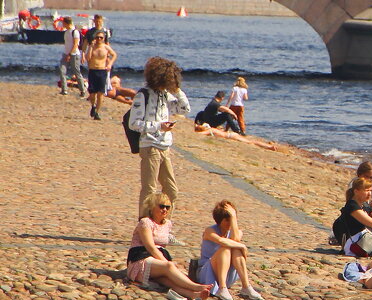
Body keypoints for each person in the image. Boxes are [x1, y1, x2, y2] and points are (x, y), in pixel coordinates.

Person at [128, 56, 190, 217]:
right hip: (150, 146)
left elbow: (184, 109)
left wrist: (177, 90)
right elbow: (133, 123)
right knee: (149, 189)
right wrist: (158, 126)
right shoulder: (143, 96)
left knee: (171, 190)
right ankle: (144, 226)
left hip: (164, 146)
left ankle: (163, 226)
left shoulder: (165, 95)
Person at [126, 191, 211, 300]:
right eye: (161, 206)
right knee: (169, 267)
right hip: (141, 257)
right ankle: (195, 286)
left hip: (157, 258)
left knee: (166, 279)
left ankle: (192, 294)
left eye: (167, 207)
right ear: (152, 207)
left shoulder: (167, 224)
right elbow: (150, 247)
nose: (165, 210)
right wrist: (166, 263)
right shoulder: (145, 222)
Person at [196, 200, 263, 300]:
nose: (230, 223)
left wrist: (233, 217)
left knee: (235, 249)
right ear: (220, 220)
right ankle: (221, 288)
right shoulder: (210, 231)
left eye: (232, 219)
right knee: (226, 248)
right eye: (227, 220)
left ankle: (246, 286)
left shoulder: (237, 231)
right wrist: (243, 247)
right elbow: (222, 241)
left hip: (227, 274)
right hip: (207, 273)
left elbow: (235, 239)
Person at [85, 32, 117, 120]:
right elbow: (88, 58)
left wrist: (110, 64)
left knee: (100, 94)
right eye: (98, 37)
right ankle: (93, 106)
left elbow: (114, 55)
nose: (99, 39)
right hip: (92, 70)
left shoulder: (106, 47)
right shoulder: (92, 47)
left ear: (103, 39)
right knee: (92, 94)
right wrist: (91, 47)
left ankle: (97, 113)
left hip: (102, 71)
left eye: (101, 38)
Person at [192, 121, 277, 151]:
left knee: (250, 142)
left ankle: (270, 147)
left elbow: (200, 134)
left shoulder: (210, 130)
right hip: (231, 134)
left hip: (231, 136)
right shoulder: (211, 129)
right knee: (250, 141)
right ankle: (268, 145)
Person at [57, 16, 87, 97]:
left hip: (74, 55)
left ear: (66, 23)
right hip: (65, 54)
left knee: (76, 72)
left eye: (63, 23)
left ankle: (82, 90)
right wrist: (66, 54)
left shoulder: (75, 32)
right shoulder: (66, 32)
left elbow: (75, 44)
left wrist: (70, 54)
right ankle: (64, 89)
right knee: (62, 70)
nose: (62, 24)